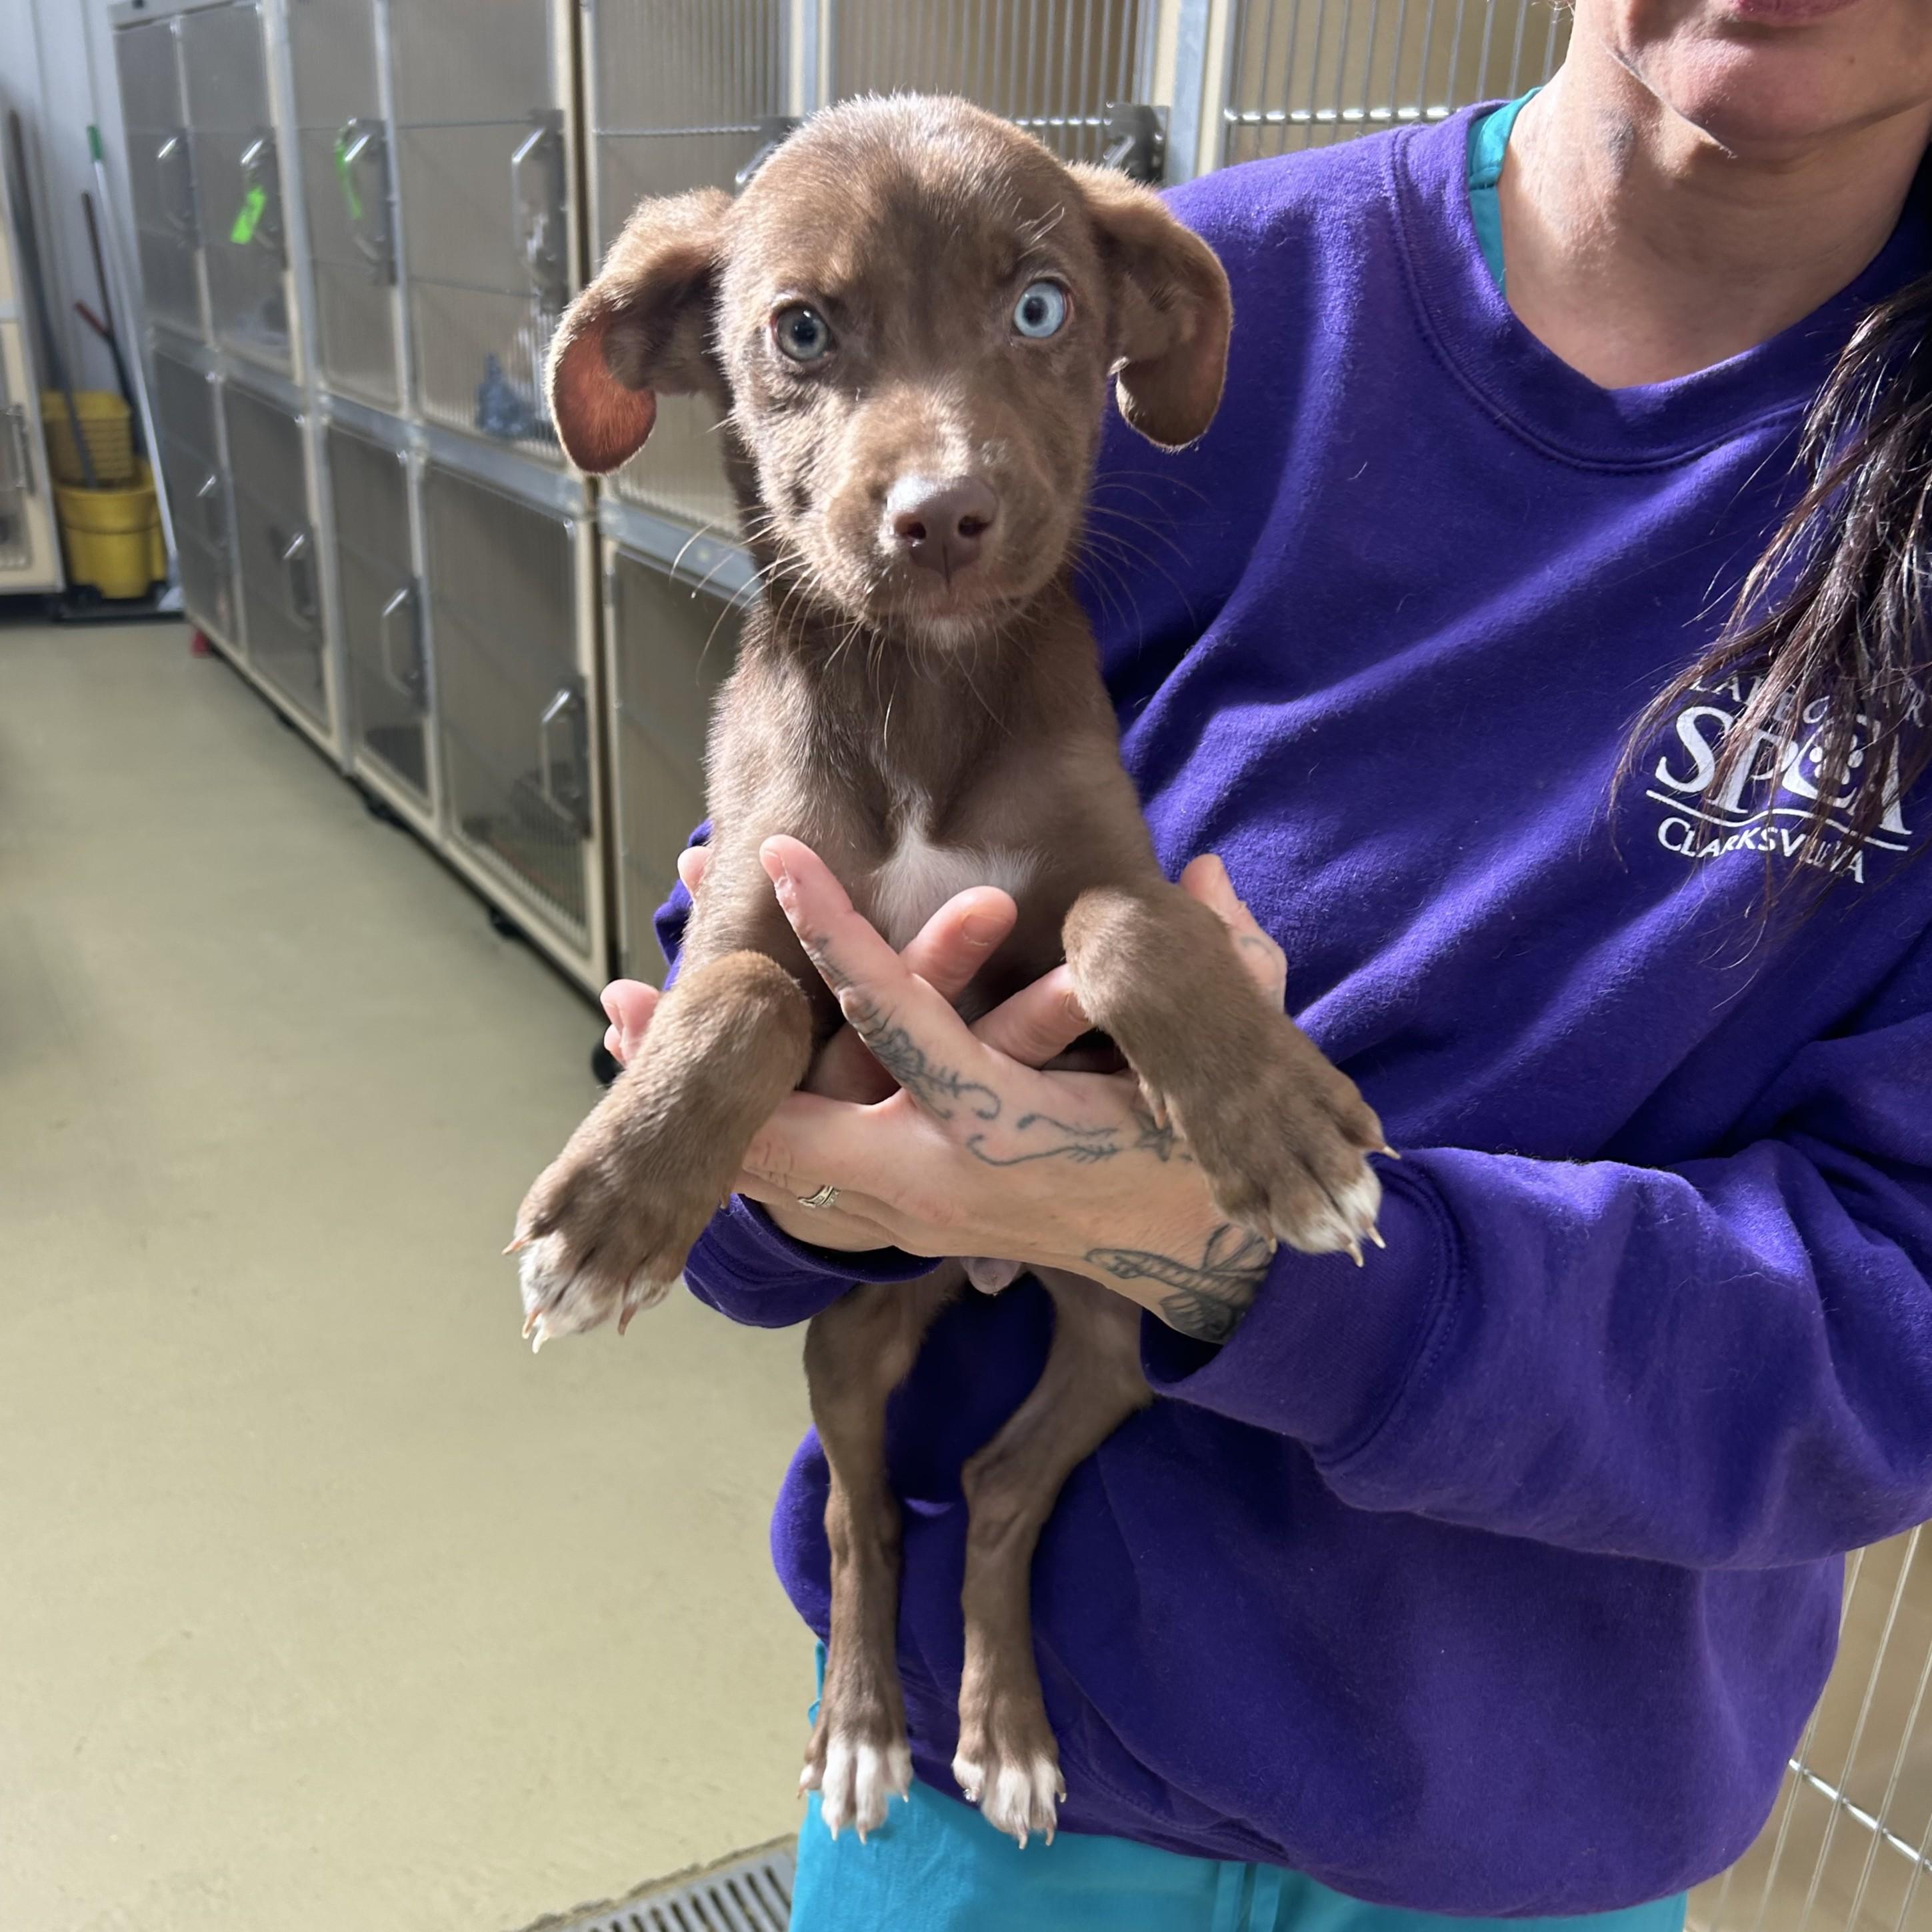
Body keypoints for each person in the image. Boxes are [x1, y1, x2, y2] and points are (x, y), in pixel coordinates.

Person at [599, 1, 1932, 1924]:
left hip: (1530, 1820)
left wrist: (1250, 1254)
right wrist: (778, 1155)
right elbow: (772, 987)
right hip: (1008, 1766)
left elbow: (1894, 1330)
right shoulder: (1147, 313)